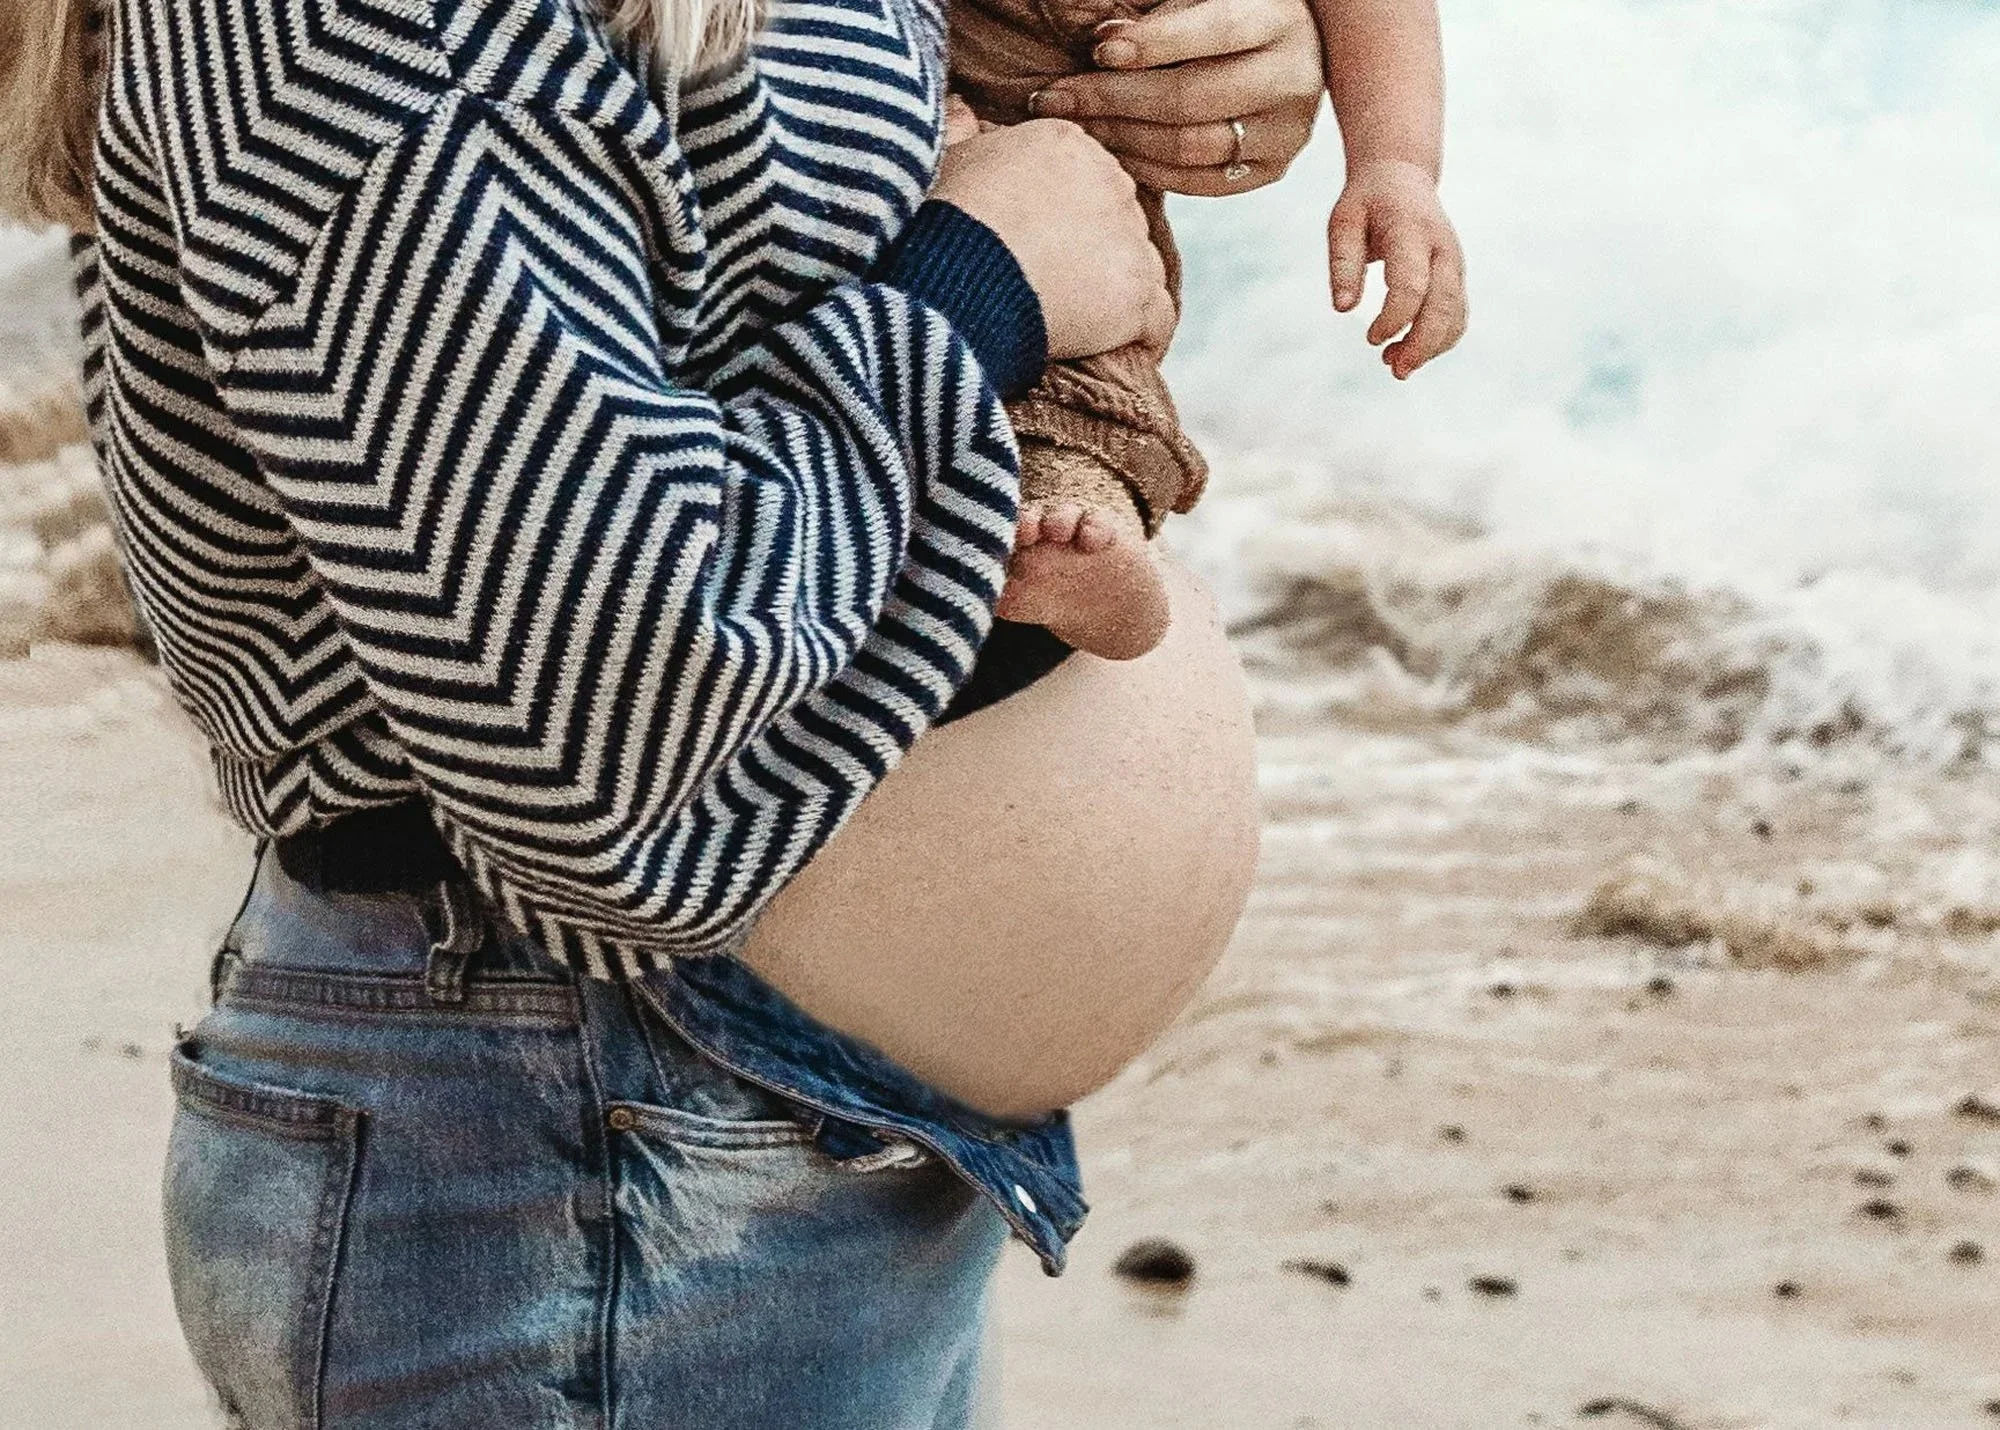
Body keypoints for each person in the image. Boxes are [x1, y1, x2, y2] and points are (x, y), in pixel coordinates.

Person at [0, 0, 1320, 1418]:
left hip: (733, 1160)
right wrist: (983, 282)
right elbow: (590, 728)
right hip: (581, 1161)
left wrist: (1171, 75)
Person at [955, 0, 1470, 664]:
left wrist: (1395, 166)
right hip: (907, 124)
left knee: (1081, 393)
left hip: (1081, 205)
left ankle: (1090, 548)